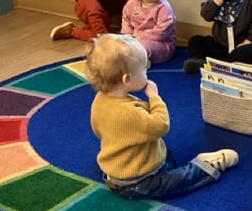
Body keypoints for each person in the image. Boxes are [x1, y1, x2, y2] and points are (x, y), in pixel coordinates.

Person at [85, 34, 239, 200]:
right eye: (143, 69)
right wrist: (154, 97)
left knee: (166, 153)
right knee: (178, 180)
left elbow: (98, 130)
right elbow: (161, 125)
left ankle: (160, 164)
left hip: (117, 168)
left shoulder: (100, 99)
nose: (146, 72)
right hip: (136, 182)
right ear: (127, 79)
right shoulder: (129, 112)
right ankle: (204, 167)